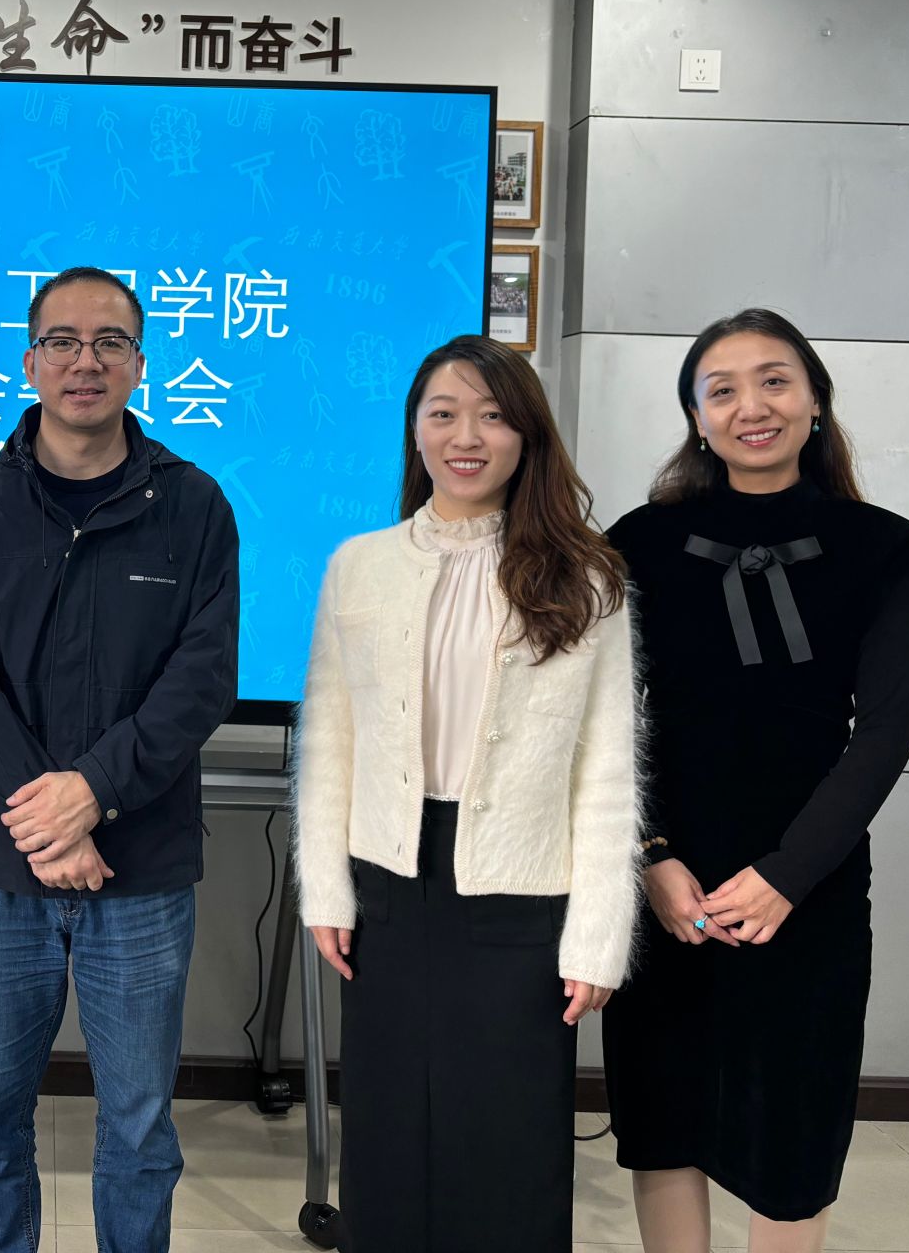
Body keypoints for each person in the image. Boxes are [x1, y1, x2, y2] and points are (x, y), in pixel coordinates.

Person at [603, 309, 909, 1253]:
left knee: (796, 1126)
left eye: (774, 381)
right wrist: (652, 858)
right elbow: (609, 723)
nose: (751, 406)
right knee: (663, 1118)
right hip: (668, 880)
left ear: (816, 401)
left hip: (812, 883)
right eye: (722, 391)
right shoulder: (639, 543)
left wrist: (787, 875)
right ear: (696, 418)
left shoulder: (880, 547)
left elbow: (885, 734)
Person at [293, 334, 640, 1252]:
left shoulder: (587, 576)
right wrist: (325, 889)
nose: (467, 437)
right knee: (389, 1128)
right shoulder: (359, 564)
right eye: (443, 414)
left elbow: (606, 770)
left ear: (527, 436)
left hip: (523, 888)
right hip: (389, 878)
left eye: (492, 416)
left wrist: (598, 935)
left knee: (508, 1136)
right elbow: (330, 741)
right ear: (415, 430)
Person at [0, 266, 240, 1253]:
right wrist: (49, 824)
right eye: (61, 341)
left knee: (139, 1128)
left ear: (140, 365)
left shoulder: (193, 507)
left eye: (109, 342)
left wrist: (93, 793)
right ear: (29, 363)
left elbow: (202, 681)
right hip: (0, 864)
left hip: (140, 865)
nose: (84, 361)